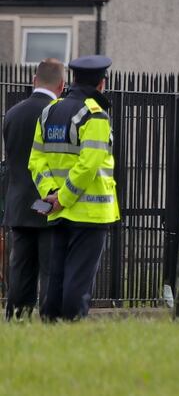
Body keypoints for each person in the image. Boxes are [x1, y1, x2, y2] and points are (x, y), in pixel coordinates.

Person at [28, 55, 120, 321]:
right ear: (102, 83)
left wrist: (51, 194)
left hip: (57, 212)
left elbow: (36, 160)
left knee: (55, 276)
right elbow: (88, 165)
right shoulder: (95, 115)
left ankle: (50, 323)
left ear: (73, 80)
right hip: (89, 214)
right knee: (79, 279)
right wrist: (63, 198)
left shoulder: (50, 111)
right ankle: (71, 325)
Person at [3, 59, 63, 320]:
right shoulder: (59, 113)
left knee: (20, 270)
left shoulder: (12, 113)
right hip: (50, 204)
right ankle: (49, 321)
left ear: (34, 80)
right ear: (62, 85)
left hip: (18, 205)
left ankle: (17, 319)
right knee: (51, 270)